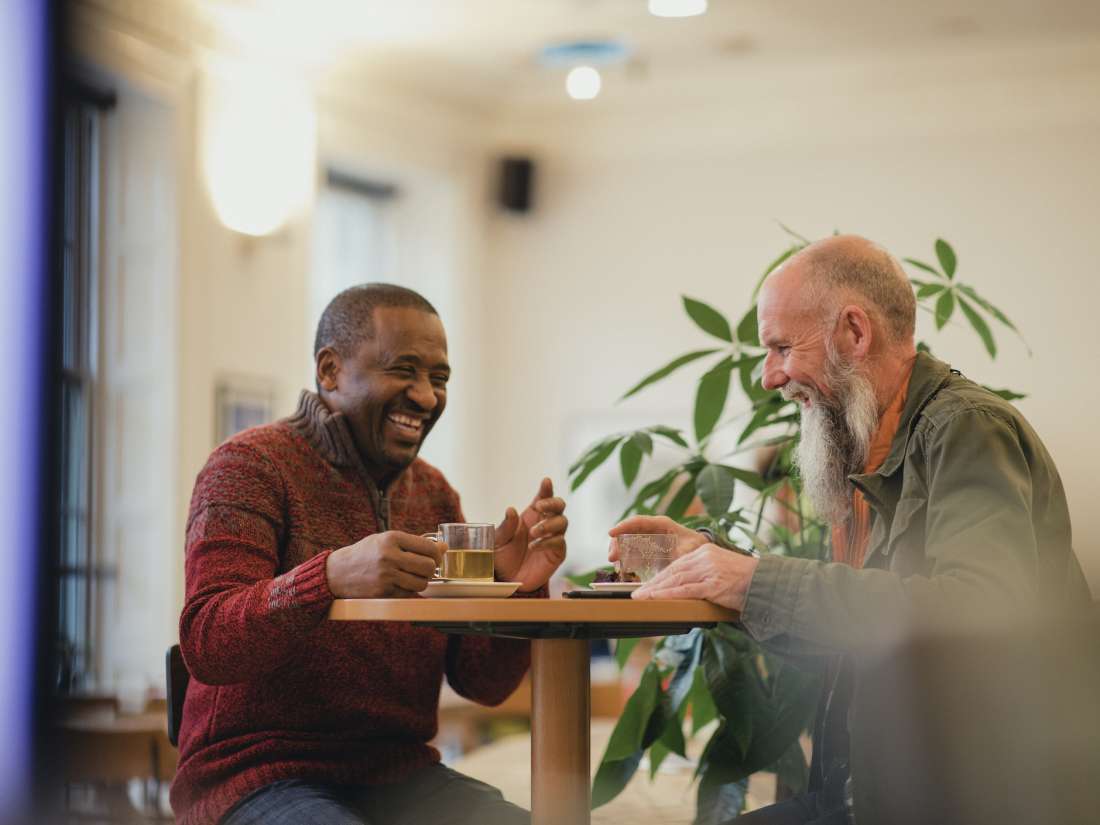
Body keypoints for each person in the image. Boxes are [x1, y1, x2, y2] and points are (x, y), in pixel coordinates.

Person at [609, 235, 1089, 824]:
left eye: (782, 347)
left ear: (855, 333)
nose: (768, 378)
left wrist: (754, 582)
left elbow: (978, 609)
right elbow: (854, 630)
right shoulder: (863, 453)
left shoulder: (965, 429)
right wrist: (713, 563)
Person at [171, 284, 568, 825]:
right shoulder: (248, 466)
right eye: (404, 370)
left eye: (439, 378)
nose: (427, 397)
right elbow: (208, 639)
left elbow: (484, 685)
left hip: (400, 775)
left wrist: (517, 590)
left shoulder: (433, 494)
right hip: (256, 775)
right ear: (330, 371)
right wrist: (328, 577)